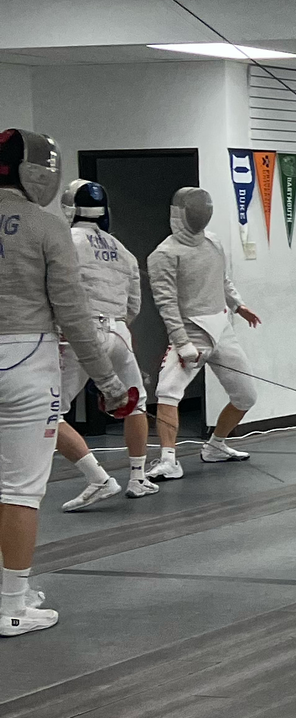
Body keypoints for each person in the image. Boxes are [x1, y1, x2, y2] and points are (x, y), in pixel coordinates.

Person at [0, 131, 132, 635]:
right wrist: (110, 383)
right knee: (19, 490)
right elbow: (75, 317)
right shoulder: (46, 226)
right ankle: (12, 603)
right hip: (27, 362)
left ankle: (13, 590)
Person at [52, 178, 156, 509]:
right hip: (119, 332)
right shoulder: (121, 249)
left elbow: (55, 291)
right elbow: (133, 306)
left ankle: (99, 479)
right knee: (136, 403)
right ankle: (138, 478)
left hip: (80, 333)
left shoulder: (64, 241)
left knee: (48, 413)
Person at [147, 185, 263, 477]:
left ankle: (216, 446)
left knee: (246, 396)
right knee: (168, 392)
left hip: (221, 328)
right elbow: (166, 304)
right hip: (190, 332)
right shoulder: (164, 254)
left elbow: (223, 280)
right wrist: (182, 343)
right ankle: (168, 460)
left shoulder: (212, 242)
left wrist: (239, 306)